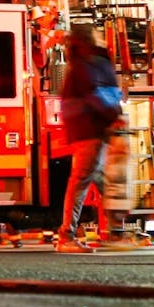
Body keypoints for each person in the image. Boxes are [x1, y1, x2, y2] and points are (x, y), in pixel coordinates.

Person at [56, 23, 124, 253]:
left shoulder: (78, 66)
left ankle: (117, 231)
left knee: (101, 181)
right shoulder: (86, 67)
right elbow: (94, 96)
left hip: (86, 132)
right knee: (81, 183)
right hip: (90, 133)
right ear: (87, 42)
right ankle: (67, 235)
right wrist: (114, 115)